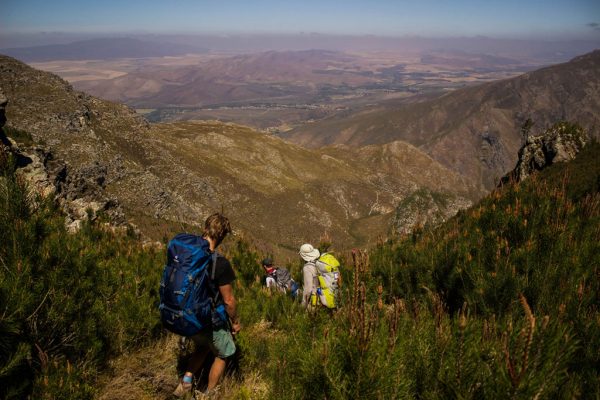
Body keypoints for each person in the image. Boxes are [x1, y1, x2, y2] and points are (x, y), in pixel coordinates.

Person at [174, 213, 241, 397]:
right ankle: (209, 394)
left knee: (203, 346)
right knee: (224, 353)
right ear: (222, 235)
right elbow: (228, 301)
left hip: (186, 316)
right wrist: (235, 322)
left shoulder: (187, 254)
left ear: (205, 228)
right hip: (208, 319)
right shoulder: (219, 263)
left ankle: (185, 383)